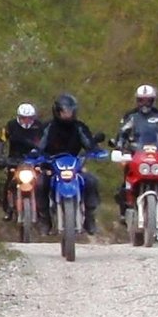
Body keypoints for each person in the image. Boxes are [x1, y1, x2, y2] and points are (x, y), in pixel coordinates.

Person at [35, 93, 104, 235]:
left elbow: (88, 142)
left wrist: (95, 150)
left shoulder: (79, 127)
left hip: (74, 165)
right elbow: (40, 144)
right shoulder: (48, 127)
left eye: (70, 111)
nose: (67, 114)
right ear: (57, 111)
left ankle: (89, 218)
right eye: (64, 111)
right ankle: (45, 220)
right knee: (40, 184)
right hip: (51, 165)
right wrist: (35, 154)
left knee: (91, 181)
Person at [112, 84, 158, 223]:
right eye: (141, 100)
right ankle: (124, 211)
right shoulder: (131, 116)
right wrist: (119, 146)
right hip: (135, 154)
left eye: (148, 100)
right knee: (125, 183)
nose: (145, 104)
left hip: (156, 153)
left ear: (153, 100)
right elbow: (122, 133)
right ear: (137, 101)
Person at [0, 103, 43, 220]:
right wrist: (0, 157)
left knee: (42, 184)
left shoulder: (40, 126)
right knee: (9, 182)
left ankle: (43, 211)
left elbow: (47, 142)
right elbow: (1, 141)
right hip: (14, 158)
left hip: (34, 159)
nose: (26, 120)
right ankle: (8, 210)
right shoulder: (10, 125)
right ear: (18, 117)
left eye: (29, 118)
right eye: (23, 118)